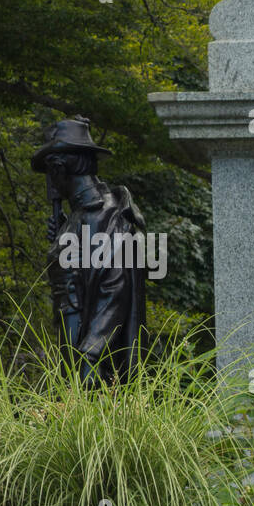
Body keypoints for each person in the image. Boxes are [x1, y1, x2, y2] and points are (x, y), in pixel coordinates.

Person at [33, 117, 147, 389]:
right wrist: (63, 238)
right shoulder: (80, 217)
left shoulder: (104, 215)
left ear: (59, 170)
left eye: (50, 172)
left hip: (93, 358)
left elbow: (114, 289)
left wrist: (90, 355)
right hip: (72, 344)